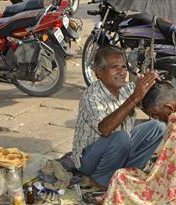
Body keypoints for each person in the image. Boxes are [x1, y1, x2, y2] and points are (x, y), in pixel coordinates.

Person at [71, 46, 165, 190]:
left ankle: (128, 174)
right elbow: (105, 129)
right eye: (115, 67)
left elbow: (149, 106)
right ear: (99, 72)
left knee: (157, 127)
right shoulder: (91, 96)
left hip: (118, 148)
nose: (121, 72)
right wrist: (134, 98)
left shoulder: (126, 88)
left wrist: (150, 85)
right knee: (121, 137)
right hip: (90, 159)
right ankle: (100, 180)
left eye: (124, 67)